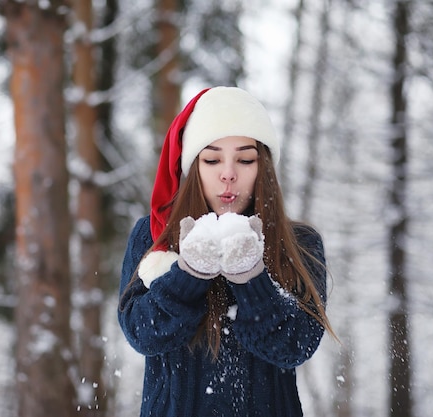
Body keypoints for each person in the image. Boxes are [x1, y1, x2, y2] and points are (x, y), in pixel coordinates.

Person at [118, 86, 333, 417]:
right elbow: (143, 335)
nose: (228, 173)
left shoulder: (299, 243)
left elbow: (295, 346)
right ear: (193, 167)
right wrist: (186, 276)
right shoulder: (152, 236)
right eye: (212, 158)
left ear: (264, 168)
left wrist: (252, 279)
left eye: (245, 159)